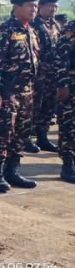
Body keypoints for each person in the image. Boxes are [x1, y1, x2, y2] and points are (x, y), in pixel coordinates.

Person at [0, 0, 41, 193]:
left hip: (26, 91)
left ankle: (12, 171)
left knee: (21, 133)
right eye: (30, 6)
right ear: (17, 7)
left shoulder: (30, 31)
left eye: (36, 6)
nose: (34, 9)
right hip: (7, 92)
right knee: (2, 133)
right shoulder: (4, 31)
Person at [31, 0, 62, 152]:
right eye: (51, 6)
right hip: (38, 74)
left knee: (48, 106)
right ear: (41, 6)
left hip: (53, 74)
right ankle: (26, 138)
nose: (53, 9)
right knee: (33, 106)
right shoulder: (33, 24)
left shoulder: (55, 25)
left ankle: (42, 137)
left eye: (56, 6)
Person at [54, 10, 75, 183]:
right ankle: (68, 166)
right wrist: (63, 84)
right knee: (69, 126)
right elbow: (60, 58)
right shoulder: (70, 30)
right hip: (71, 85)